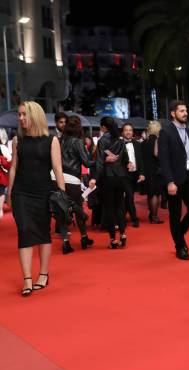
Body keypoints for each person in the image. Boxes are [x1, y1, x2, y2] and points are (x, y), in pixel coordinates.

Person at [7, 101, 65, 296]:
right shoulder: (17, 140)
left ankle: (43, 274)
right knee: (24, 231)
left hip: (43, 192)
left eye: (25, 114)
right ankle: (27, 279)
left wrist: (62, 195)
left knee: (42, 233)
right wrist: (9, 192)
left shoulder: (51, 140)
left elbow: (58, 169)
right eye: (20, 114)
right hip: (21, 192)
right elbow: (14, 166)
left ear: (35, 116)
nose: (21, 118)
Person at [158, 100, 189, 260]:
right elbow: (164, 159)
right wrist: (169, 181)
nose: (185, 113)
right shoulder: (166, 132)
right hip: (174, 180)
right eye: (182, 111)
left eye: (186, 110)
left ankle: (178, 232)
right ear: (173, 113)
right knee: (175, 214)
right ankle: (180, 246)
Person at [89, 117, 130, 249]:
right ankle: (123, 234)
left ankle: (113, 240)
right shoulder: (120, 140)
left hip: (108, 177)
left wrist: (95, 177)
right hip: (121, 177)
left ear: (103, 127)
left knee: (110, 209)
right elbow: (126, 159)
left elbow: (100, 162)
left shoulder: (102, 141)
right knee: (120, 206)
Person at [57, 116, 95, 253]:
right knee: (78, 208)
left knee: (62, 210)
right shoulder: (78, 142)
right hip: (72, 178)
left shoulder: (60, 140)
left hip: (57, 178)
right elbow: (87, 162)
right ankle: (84, 238)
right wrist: (101, 159)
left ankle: (65, 243)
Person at [121, 123, 145, 227]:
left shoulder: (138, 144)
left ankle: (123, 216)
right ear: (122, 132)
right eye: (126, 130)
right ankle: (134, 218)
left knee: (129, 196)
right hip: (124, 174)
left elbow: (141, 161)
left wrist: (142, 173)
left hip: (135, 174)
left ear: (132, 132)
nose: (128, 132)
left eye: (130, 130)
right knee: (129, 195)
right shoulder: (119, 144)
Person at [141, 121, 164, 224]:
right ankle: (154, 216)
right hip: (155, 171)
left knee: (150, 194)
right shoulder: (157, 140)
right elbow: (157, 154)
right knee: (156, 194)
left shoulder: (143, 142)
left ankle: (152, 215)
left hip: (146, 171)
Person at [0, 128, 11, 218]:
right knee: (1, 192)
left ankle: (0, 209)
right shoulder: (4, 148)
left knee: (1, 192)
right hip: (2, 175)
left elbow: (8, 163)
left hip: (1, 175)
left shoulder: (3, 148)